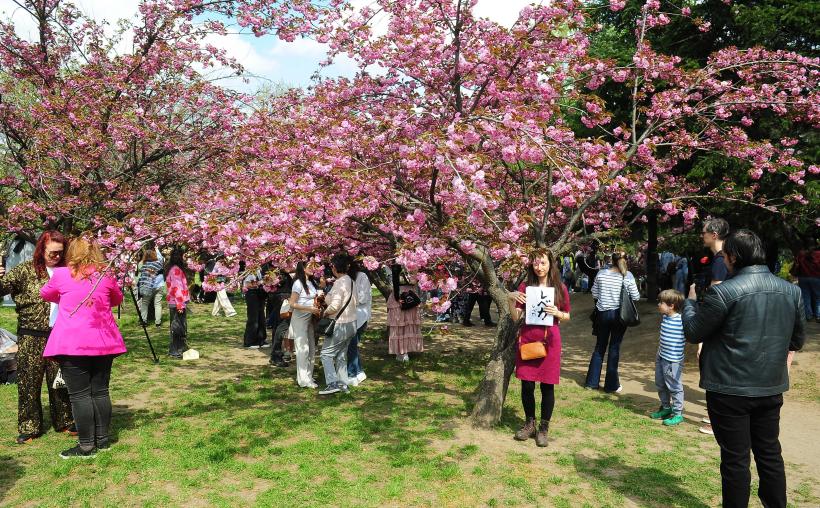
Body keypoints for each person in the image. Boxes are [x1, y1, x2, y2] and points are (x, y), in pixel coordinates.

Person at [681, 229, 805, 508]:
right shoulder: (791, 291)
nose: (723, 260)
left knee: (735, 458)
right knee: (769, 453)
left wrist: (689, 303)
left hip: (729, 388)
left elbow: (693, 331)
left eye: (725, 255)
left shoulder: (724, 292)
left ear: (734, 257)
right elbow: (796, 341)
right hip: (769, 386)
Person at [40, 235, 126, 458]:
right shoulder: (105, 274)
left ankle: (86, 446)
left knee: (80, 395)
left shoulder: (62, 274)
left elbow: (45, 293)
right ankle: (102, 440)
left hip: (72, 343)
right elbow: (117, 299)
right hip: (103, 341)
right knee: (100, 391)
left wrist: (66, 298)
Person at [0, 230, 74, 444]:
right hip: (31, 335)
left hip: (59, 334)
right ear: (41, 250)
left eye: (60, 252)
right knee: (28, 383)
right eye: (52, 253)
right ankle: (29, 426)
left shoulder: (68, 271)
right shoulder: (24, 270)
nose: (56, 257)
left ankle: (65, 420)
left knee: (60, 381)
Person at [508, 248, 570, 447]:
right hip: (528, 339)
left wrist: (557, 313)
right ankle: (529, 424)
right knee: (527, 384)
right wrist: (511, 299)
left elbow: (567, 315)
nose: (539, 267)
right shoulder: (525, 287)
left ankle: (543, 428)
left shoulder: (559, 288)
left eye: (543, 263)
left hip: (550, 340)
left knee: (547, 385)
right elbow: (515, 317)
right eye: (535, 263)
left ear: (550, 264)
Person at [584, 251, 641, 393]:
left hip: (602, 314)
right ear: (626, 260)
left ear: (612, 260)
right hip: (619, 316)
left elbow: (594, 293)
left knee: (599, 347)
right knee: (614, 347)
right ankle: (611, 385)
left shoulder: (601, 274)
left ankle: (591, 383)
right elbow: (636, 296)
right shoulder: (627, 275)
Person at [699, 217, 731, 435]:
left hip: (719, 325)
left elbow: (716, 298)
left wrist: (704, 330)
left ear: (714, 234)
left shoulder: (720, 261)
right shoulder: (723, 258)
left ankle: (717, 420)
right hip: (725, 323)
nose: (702, 235)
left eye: (704, 232)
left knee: (716, 370)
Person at [317, 254, 358, 395]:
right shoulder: (351, 281)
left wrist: (325, 313)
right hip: (352, 323)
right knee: (341, 355)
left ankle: (332, 383)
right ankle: (343, 384)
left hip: (340, 324)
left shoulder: (340, 283)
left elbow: (334, 306)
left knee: (326, 354)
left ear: (334, 267)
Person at [650, 289, 686, 426]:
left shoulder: (681, 320)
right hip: (661, 356)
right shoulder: (665, 317)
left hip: (673, 360)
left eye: (661, 303)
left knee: (674, 386)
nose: (658, 304)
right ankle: (666, 408)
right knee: (660, 383)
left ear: (671, 306)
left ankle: (677, 414)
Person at [289, 262, 319, 388]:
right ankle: (303, 380)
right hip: (300, 318)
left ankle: (308, 375)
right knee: (303, 349)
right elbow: (292, 303)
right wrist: (309, 309)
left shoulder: (311, 282)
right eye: (310, 266)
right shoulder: (298, 283)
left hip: (311, 318)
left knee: (311, 348)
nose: (313, 268)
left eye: (314, 266)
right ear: (303, 268)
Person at [387, 264, 423, 362]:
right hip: (405, 295)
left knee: (406, 323)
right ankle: (402, 351)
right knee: (401, 323)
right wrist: (397, 297)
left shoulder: (412, 264)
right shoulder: (400, 265)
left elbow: (397, 281)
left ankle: (404, 351)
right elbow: (395, 281)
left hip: (408, 295)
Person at [346, 260, 371, 386]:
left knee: (351, 345)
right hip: (349, 316)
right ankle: (359, 371)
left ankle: (352, 373)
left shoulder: (362, 276)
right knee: (352, 345)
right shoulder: (345, 278)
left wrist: (346, 299)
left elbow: (363, 298)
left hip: (360, 317)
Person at [165, 249, 190, 359]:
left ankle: (179, 348)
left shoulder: (173, 268)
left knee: (178, 326)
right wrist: (180, 304)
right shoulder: (175, 270)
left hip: (176, 302)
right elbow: (177, 288)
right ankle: (175, 350)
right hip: (177, 303)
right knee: (177, 327)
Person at [793, 241, 820, 323]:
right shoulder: (818, 254)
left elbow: (796, 265)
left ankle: (808, 316)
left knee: (805, 297)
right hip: (816, 277)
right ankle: (818, 316)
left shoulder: (800, 254)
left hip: (803, 278)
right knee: (818, 297)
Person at [137, 248, 164, 328]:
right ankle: (158, 323)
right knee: (158, 304)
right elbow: (161, 258)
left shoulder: (144, 264)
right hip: (159, 285)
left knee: (145, 303)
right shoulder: (158, 263)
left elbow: (139, 268)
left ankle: (143, 321)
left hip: (148, 286)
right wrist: (157, 250)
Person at [242, 268, 267, 349]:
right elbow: (247, 284)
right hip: (252, 294)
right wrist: (261, 282)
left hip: (259, 293)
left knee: (261, 317)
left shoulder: (261, 269)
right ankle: (249, 341)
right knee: (253, 318)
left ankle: (261, 339)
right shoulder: (250, 270)